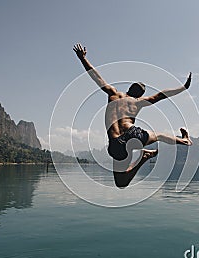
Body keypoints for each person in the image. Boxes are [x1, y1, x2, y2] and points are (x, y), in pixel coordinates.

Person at [73, 43, 192, 188]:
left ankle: (144, 157)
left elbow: (96, 77)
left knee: (121, 183)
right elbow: (161, 95)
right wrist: (183, 88)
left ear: (129, 88)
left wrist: (82, 58)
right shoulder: (138, 102)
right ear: (141, 94)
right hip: (132, 134)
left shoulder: (113, 94)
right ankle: (183, 141)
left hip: (115, 143)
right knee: (159, 135)